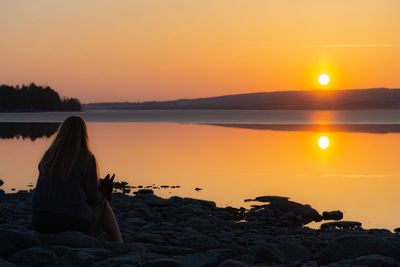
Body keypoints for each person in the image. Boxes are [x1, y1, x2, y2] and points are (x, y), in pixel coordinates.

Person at [32, 116, 123, 243]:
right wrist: (103, 192)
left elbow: (60, 184)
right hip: (72, 223)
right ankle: (119, 243)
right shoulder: (86, 157)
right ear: (83, 134)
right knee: (103, 204)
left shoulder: (48, 156)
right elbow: (93, 198)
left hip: (40, 221)